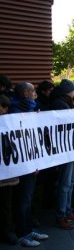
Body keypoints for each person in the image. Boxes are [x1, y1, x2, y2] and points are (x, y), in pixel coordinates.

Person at [10, 82, 49, 247]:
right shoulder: (14, 112)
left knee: (28, 198)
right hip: (21, 165)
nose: (36, 95)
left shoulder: (29, 109)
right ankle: (22, 234)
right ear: (26, 94)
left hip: (31, 163)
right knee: (23, 200)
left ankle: (28, 229)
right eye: (33, 92)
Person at [50, 79, 74, 230]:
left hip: (72, 147)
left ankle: (68, 211)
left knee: (70, 181)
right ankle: (61, 215)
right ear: (68, 91)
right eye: (73, 90)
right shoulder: (59, 104)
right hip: (65, 149)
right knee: (65, 183)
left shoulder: (66, 102)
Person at [0, 95, 19, 245]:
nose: (4, 110)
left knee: (7, 205)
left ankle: (8, 232)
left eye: (5, 107)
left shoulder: (11, 122)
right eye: (2, 107)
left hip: (8, 174)